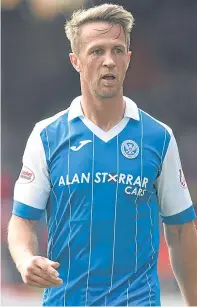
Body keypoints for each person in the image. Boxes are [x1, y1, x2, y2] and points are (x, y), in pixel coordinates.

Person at [8, 3, 197, 306]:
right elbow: (23, 221)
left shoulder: (159, 137)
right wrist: (25, 259)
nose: (109, 61)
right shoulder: (47, 136)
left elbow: (180, 229)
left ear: (128, 58)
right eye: (97, 51)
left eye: (118, 50)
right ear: (76, 61)